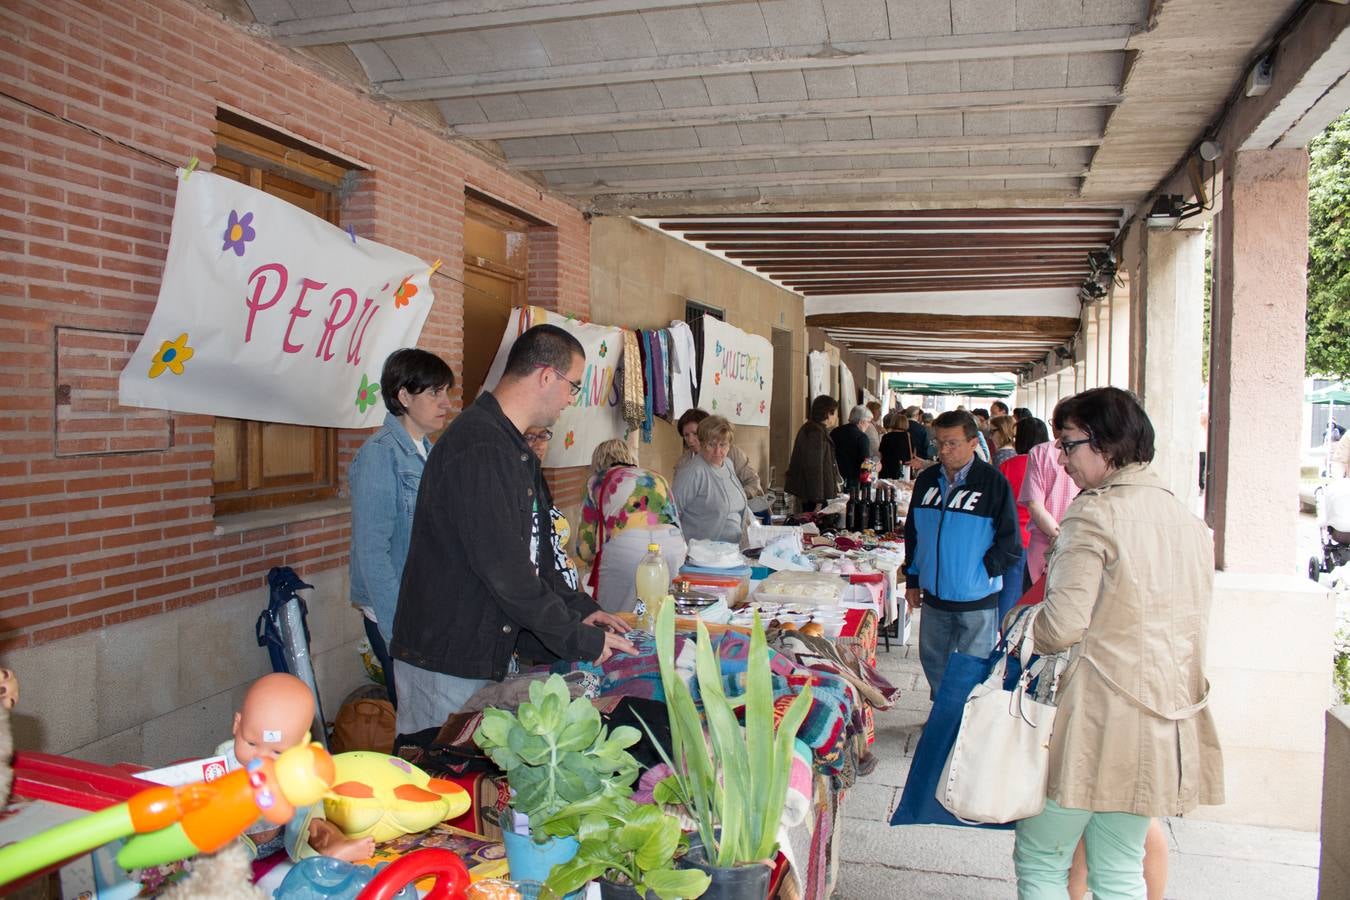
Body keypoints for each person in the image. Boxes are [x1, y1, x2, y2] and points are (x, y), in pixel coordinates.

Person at [1012, 387, 1223, 898]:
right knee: (1121, 868)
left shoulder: (1093, 514)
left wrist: (1020, 627)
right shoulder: (1185, 519)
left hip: (1094, 718)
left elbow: (1062, 625)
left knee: (1043, 859)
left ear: (1107, 443)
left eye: (1068, 445)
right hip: (1162, 718)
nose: (1061, 460)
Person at [391, 324, 636, 736]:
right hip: (447, 660)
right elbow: (508, 573)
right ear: (546, 376)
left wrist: (582, 610)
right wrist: (579, 639)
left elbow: (541, 555)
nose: (570, 400)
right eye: (573, 386)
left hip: (486, 653)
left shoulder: (514, 449)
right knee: (436, 781)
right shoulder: (480, 448)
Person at [349, 348, 453, 708]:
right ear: (403, 396)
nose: (445, 403)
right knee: (415, 721)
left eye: (446, 392)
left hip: (428, 608)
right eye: (434, 393)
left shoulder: (427, 450)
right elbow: (373, 552)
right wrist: (398, 632)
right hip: (399, 617)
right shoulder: (381, 454)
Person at [903, 410, 1021, 699]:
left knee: (972, 667)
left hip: (977, 598)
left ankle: (963, 722)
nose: (943, 450)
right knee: (933, 662)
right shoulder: (927, 480)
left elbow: (1011, 542)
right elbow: (914, 532)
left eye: (952, 443)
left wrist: (982, 571)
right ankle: (944, 718)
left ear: (972, 443)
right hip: (935, 596)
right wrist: (913, 579)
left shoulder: (993, 482)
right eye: (939, 442)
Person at [218, 673, 375, 863]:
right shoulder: (223, 762)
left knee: (316, 824)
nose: (261, 757)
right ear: (237, 725)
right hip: (241, 841)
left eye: (277, 752)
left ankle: (335, 848)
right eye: (251, 743)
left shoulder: (295, 767)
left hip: (285, 834)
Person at [578, 438, 686, 613]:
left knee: (616, 618)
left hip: (627, 546)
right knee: (660, 614)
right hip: (672, 546)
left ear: (598, 461)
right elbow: (676, 523)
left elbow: (585, 547)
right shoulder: (655, 476)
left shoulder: (597, 481)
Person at [995, 417, 1049, 621]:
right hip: (1041, 541)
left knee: (1008, 599)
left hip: (1012, 539)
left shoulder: (1009, 466)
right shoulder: (1049, 466)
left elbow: (997, 505)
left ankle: (1003, 642)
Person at [1021, 414, 1082, 589]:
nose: (1062, 459)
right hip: (1078, 550)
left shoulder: (1040, 452)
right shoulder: (1096, 455)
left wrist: (1058, 539)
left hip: (1041, 553)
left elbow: (1035, 506)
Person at [672, 414, 748, 544]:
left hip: (732, 550)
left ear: (730, 445)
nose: (718, 451)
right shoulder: (693, 471)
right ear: (701, 444)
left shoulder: (728, 464)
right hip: (704, 553)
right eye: (711, 445)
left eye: (723, 445)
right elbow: (671, 511)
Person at [522, 426, 581, 592]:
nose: (539, 444)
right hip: (547, 597)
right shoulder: (515, 486)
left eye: (543, 436)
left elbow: (558, 552)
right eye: (530, 437)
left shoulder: (538, 480)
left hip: (567, 593)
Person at [675, 407, 765, 501]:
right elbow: (679, 498)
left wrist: (738, 496)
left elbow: (753, 482)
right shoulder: (683, 463)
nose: (690, 440)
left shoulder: (731, 454)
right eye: (686, 435)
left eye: (695, 433)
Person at [784, 394, 842, 512]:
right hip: (812, 495)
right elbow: (814, 467)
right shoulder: (815, 432)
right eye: (835, 413)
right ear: (828, 414)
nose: (836, 417)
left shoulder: (817, 429)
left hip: (814, 493)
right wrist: (818, 499)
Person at [831, 405, 873, 490]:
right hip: (853, 483)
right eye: (869, 422)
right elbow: (866, 464)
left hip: (834, 479)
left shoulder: (835, 432)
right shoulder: (862, 437)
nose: (869, 425)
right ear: (861, 422)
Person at [878, 410, 913, 478]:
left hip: (887, 469)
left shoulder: (886, 437)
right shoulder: (909, 436)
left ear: (893, 422)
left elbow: (881, 453)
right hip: (904, 470)